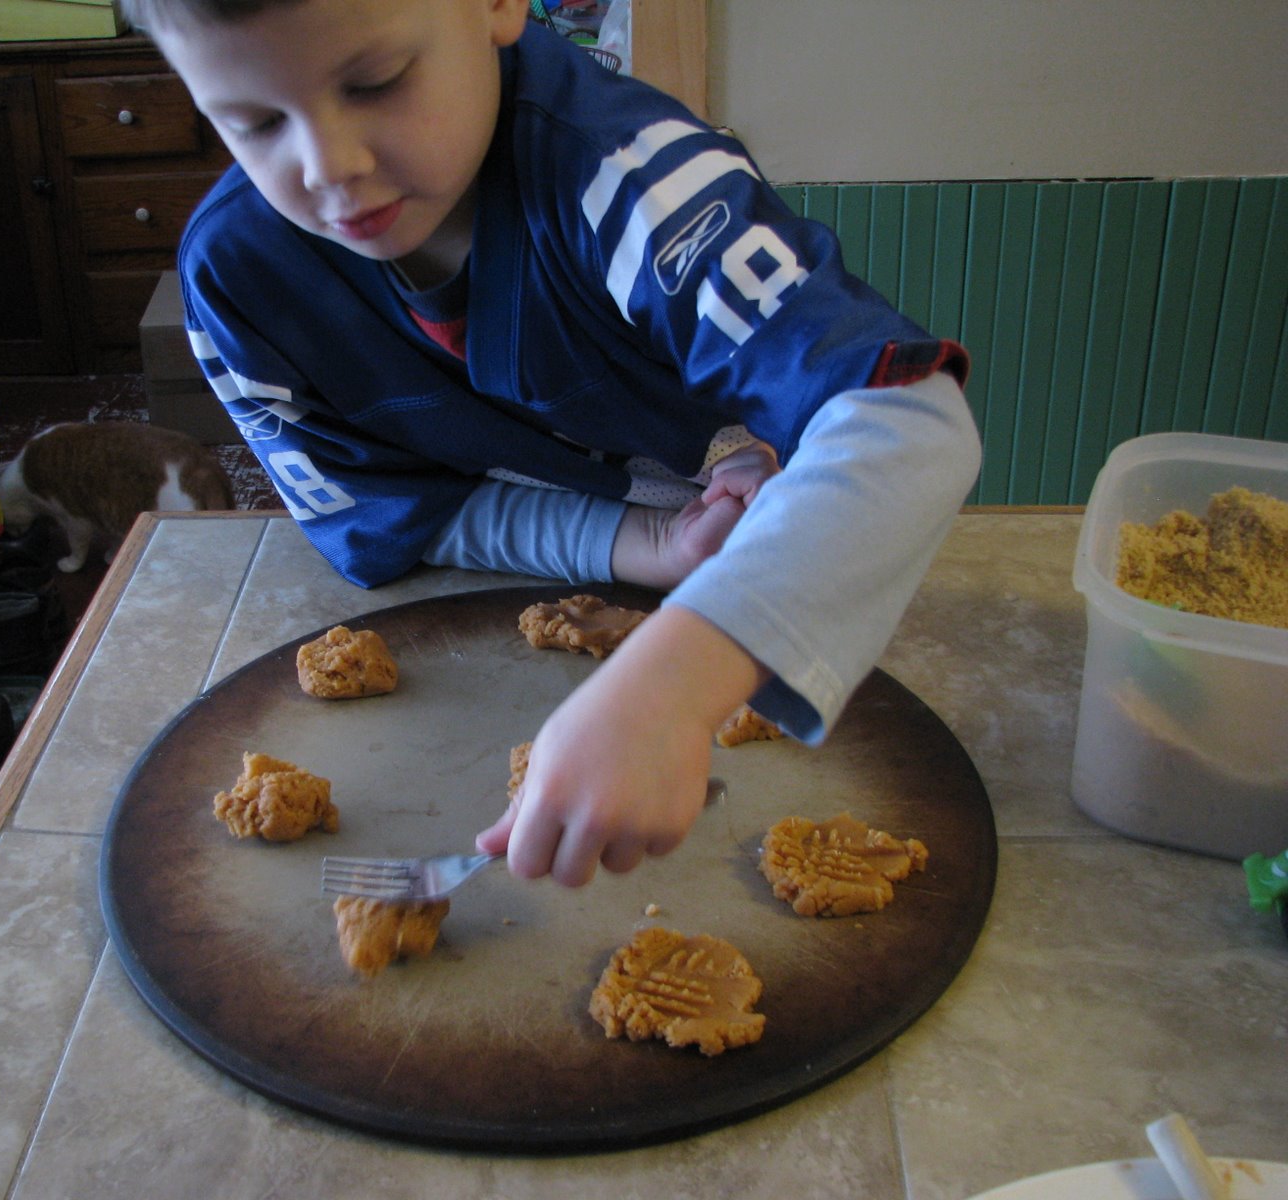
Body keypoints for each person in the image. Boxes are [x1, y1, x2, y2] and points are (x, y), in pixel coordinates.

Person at [124, 0, 982, 889]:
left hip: (788, 580)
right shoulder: (241, 279)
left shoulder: (636, 183)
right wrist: (645, 543)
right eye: (255, 123)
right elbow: (404, 514)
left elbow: (912, 425)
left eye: (375, 83)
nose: (329, 166)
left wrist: (675, 686)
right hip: (651, 554)